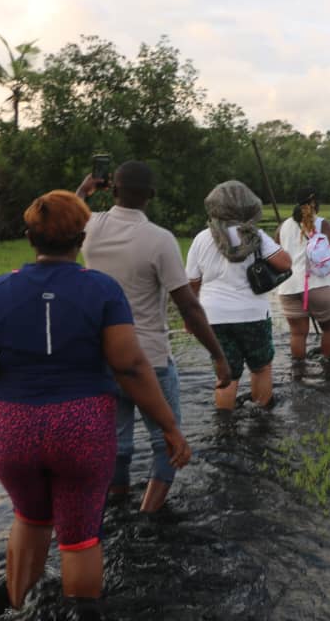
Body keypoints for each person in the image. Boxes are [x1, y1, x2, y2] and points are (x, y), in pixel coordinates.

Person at [0, 190, 190, 609]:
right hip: (81, 425)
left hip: (12, 425)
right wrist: (169, 427)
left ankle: (17, 606)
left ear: (30, 237)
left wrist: (3, 374)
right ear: (81, 240)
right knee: (79, 538)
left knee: (29, 516)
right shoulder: (102, 290)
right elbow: (130, 365)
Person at [76, 162, 231, 513]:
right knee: (167, 443)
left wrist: (85, 190)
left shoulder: (91, 226)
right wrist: (218, 356)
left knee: (117, 443)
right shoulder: (160, 240)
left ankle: (117, 505)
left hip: (101, 358)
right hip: (150, 360)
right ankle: (148, 518)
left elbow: (63, 216)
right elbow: (189, 307)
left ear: (112, 190)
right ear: (152, 196)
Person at [185, 181, 292, 410]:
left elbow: (192, 284)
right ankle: (261, 417)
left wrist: (190, 318)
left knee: (227, 374)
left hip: (213, 317)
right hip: (252, 313)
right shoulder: (256, 236)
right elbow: (285, 263)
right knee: (261, 367)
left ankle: (225, 429)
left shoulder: (201, 238)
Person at [276, 187, 330, 360]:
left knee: (297, 335)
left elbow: (275, 254)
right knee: (329, 329)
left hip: (288, 288)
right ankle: (329, 371)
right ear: (314, 203)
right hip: (317, 284)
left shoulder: (283, 226)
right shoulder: (322, 223)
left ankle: (298, 375)